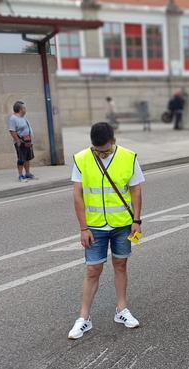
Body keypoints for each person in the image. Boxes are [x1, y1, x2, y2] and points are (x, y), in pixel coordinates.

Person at [68, 122, 145, 340]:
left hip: (122, 224)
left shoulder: (129, 157)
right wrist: (83, 228)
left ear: (114, 141)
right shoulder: (82, 159)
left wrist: (136, 220)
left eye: (106, 150)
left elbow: (136, 191)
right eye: (98, 150)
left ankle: (122, 310)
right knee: (93, 270)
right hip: (95, 227)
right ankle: (84, 318)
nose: (102, 154)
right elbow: (77, 195)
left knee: (120, 265)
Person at [8, 101, 35, 182]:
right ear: (20, 109)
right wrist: (18, 141)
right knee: (21, 159)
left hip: (27, 141)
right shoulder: (13, 118)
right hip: (21, 142)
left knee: (27, 158)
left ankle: (27, 173)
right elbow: (12, 131)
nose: (25, 109)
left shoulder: (23, 118)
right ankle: (20, 175)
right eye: (24, 108)